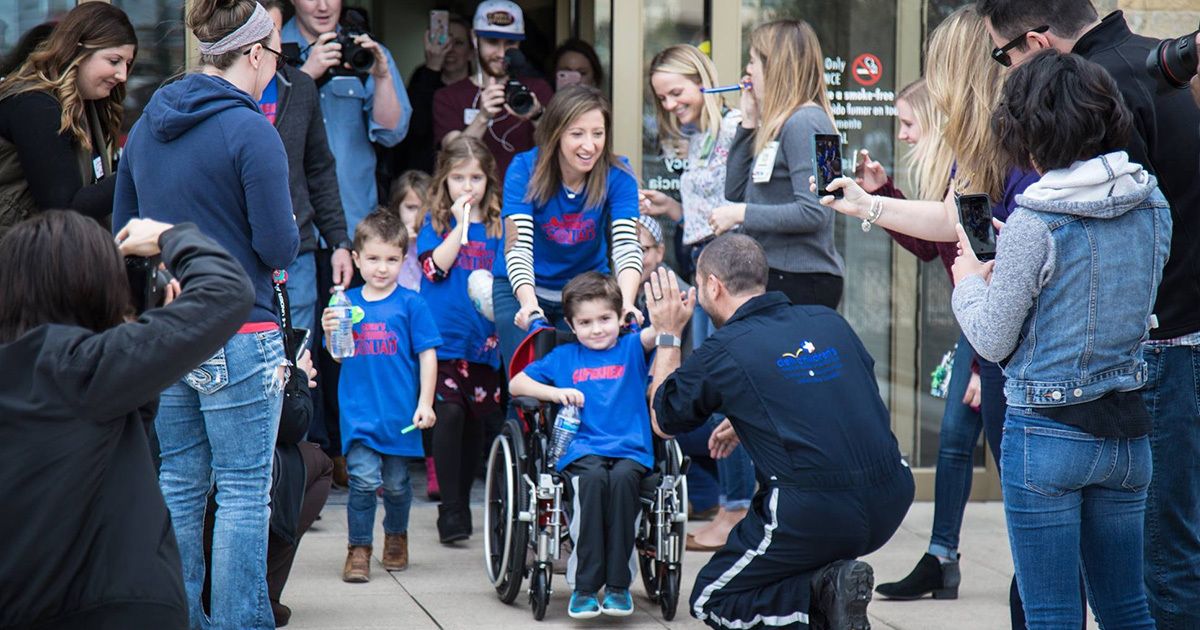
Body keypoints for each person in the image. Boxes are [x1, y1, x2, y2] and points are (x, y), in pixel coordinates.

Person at [816, 9, 1046, 623]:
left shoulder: (1027, 137)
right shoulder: (980, 144)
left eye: (937, 70)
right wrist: (869, 203)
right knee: (1023, 513)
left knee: (1037, 526)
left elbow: (988, 237)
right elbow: (950, 222)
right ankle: (953, 559)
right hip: (999, 341)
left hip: (1030, 348)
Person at [976, 4, 1200, 626]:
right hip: (1134, 405)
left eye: (1005, 56)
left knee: (1071, 602)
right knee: (1136, 596)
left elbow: (997, 334)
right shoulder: (1147, 193)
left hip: (1083, 401)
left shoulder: (1038, 219)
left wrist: (972, 281)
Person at [112, 1, 300, 626]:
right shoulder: (251, 131)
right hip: (241, 326)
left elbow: (125, 232)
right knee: (246, 493)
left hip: (169, 329)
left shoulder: (144, 127)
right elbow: (277, 248)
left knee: (180, 487)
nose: (276, 67)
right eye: (275, 54)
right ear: (252, 53)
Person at [647, 235, 914, 629]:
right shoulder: (829, 320)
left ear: (713, 286)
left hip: (812, 511)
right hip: (892, 494)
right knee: (786, 570)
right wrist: (747, 419)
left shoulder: (724, 349)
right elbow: (833, 392)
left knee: (714, 598)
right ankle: (832, 593)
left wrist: (668, 334)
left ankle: (825, 588)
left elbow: (664, 420)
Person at [0, 214, 251, 629]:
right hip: (118, 606)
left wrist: (141, 335)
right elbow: (226, 290)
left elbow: (119, 433)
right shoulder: (84, 367)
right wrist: (171, 236)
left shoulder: (60, 371)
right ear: (92, 285)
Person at [859, 79, 985, 603]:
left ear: (937, 122)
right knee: (955, 439)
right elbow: (935, 244)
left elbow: (996, 268)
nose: (903, 134)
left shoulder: (976, 168)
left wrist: (981, 362)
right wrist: (882, 195)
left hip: (994, 332)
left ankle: (1040, 571)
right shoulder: (950, 172)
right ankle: (941, 559)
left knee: (984, 441)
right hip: (978, 323)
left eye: (909, 124)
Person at [643, 43, 754, 550]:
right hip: (703, 269)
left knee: (727, 391)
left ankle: (734, 512)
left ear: (703, 80)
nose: (670, 105)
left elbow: (739, 208)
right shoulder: (700, 136)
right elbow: (709, 210)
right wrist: (673, 209)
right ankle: (731, 507)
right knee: (716, 392)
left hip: (725, 273)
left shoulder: (733, 129)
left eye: (676, 92)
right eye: (662, 98)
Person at [509, 272, 661, 619]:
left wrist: (663, 316)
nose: (597, 329)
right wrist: (554, 393)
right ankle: (586, 586)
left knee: (624, 483)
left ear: (619, 316)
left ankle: (620, 586)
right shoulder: (564, 357)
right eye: (586, 322)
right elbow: (517, 382)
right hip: (581, 450)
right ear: (571, 325)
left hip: (630, 450)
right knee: (591, 483)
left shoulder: (632, 347)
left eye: (605, 319)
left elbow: (658, 333)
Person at [321, 210, 441, 583]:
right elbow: (338, 354)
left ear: (403, 260)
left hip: (400, 414)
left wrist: (425, 402)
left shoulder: (411, 303)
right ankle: (359, 548)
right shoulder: (346, 303)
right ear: (356, 259)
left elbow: (428, 354)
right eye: (373, 259)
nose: (382, 268)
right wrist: (329, 333)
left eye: (391, 259)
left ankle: (396, 536)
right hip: (359, 412)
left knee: (397, 484)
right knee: (360, 481)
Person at [491, 84, 643, 373]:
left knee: (582, 379)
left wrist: (626, 303)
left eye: (598, 134)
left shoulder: (618, 174)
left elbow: (626, 245)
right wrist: (528, 304)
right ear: (555, 133)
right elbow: (517, 243)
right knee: (526, 387)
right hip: (522, 287)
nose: (589, 145)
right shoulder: (525, 168)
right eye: (577, 134)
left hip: (584, 290)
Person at [716, 20, 843, 309]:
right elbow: (735, 191)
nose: (747, 71)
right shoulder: (779, 123)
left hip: (801, 279)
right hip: (778, 275)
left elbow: (815, 212)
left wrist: (740, 214)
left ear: (774, 67)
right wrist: (748, 123)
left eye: (752, 61)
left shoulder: (807, 122)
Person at [415, 135, 505, 544]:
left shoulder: (502, 226)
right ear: (444, 182)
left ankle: (465, 500)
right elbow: (434, 270)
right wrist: (461, 226)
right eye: (458, 178)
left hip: (483, 342)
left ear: (489, 181)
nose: (467, 187)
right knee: (448, 415)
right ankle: (450, 510)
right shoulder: (435, 225)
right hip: (442, 340)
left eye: (475, 178)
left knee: (475, 421)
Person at [0, 3, 136, 234]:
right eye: (114, 61)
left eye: (127, 64)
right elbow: (64, 209)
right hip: (17, 259)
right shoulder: (34, 106)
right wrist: (138, 171)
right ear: (77, 51)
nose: (122, 75)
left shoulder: (85, 105)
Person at [433, 0, 553, 178]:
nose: (501, 53)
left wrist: (536, 115)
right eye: (492, 42)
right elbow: (451, 157)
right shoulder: (448, 96)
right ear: (475, 38)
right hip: (472, 200)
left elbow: (560, 148)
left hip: (527, 200)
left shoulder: (538, 89)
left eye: (510, 43)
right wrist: (482, 117)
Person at [391, 13, 472, 175]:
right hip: (423, 176)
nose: (449, 49)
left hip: (466, 176)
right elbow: (414, 128)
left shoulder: (479, 87)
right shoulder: (422, 77)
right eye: (444, 40)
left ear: (471, 51)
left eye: (458, 43)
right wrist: (433, 67)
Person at [388, 170, 431, 292]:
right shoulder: (388, 240)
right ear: (397, 208)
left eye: (426, 209)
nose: (418, 216)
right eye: (411, 208)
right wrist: (400, 242)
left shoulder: (440, 240)